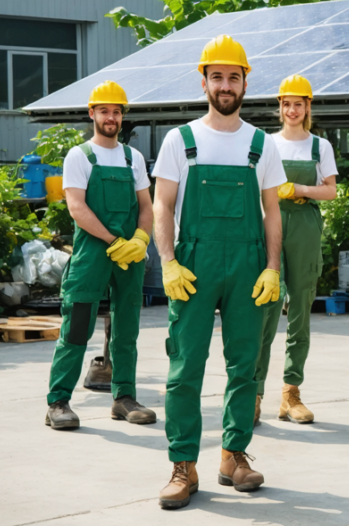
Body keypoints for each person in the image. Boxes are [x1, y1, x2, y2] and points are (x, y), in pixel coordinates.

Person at [152, 35, 287, 509]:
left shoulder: (260, 143)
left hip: (249, 266)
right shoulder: (179, 140)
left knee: (244, 368)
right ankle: (183, 465)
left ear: (245, 82)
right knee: (185, 368)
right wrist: (167, 262)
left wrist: (273, 267)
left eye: (233, 77)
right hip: (192, 265)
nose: (225, 85)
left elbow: (273, 211)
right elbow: (162, 206)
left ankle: (233, 455)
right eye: (217, 77)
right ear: (204, 80)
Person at [45, 81, 155, 430]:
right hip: (93, 254)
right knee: (77, 327)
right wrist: (113, 240)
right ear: (92, 113)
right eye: (105, 110)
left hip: (129, 256)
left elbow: (146, 205)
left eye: (117, 111)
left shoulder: (132, 157)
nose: (111, 117)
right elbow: (76, 207)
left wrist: (140, 238)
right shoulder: (80, 156)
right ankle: (58, 402)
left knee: (127, 329)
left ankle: (123, 398)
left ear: (122, 117)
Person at [253, 74, 338, 426]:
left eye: (298, 104)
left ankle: (291, 393)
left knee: (300, 308)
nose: (292, 110)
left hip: (304, 225)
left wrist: (300, 187)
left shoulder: (320, 147)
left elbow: (331, 190)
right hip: (270, 222)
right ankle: (253, 393)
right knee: (265, 309)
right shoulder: (266, 144)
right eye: (286, 104)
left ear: (308, 107)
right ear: (280, 108)